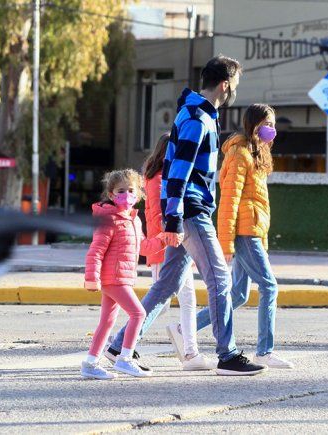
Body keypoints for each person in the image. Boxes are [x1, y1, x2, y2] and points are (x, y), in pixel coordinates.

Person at [105, 55, 266, 376]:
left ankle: (118, 344)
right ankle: (228, 355)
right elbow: (177, 172)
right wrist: (175, 219)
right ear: (225, 85)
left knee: (167, 284)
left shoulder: (198, 114)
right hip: (191, 211)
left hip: (186, 210)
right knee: (220, 279)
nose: (234, 90)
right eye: (234, 84)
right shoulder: (196, 118)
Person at [170, 104, 294, 369]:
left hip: (254, 231)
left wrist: (263, 240)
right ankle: (265, 351)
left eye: (273, 124)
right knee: (269, 286)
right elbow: (229, 200)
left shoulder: (256, 154)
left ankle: (185, 330)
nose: (271, 129)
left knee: (238, 295)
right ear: (253, 124)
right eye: (266, 123)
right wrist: (226, 242)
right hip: (244, 232)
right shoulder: (239, 153)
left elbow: (259, 205)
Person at [80, 169, 165, 379]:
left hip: (121, 278)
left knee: (107, 322)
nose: (126, 194)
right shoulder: (109, 219)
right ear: (111, 194)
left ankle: (90, 363)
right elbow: (96, 250)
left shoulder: (134, 220)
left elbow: (143, 247)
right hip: (114, 278)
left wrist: (164, 240)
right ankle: (125, 359)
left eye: (130, 190)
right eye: (120, 190)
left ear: (138, 194)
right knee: (139, 314)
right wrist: (92, 277)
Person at [141, 133, 213, 371]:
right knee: (163, 303)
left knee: (180, 300)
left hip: (172, 246)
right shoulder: (160, 180)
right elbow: (156, 217)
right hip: (166, 246)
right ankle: (121, 343)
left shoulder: (161, 178)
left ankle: (190, 351)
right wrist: (171, 235)